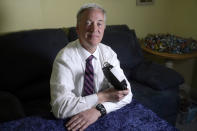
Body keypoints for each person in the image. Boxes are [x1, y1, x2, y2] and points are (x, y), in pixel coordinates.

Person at [50, 3, 133, 131]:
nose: (95, 29)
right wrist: (103, 96)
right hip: (73, 119)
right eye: (88, 23)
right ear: (77, 28)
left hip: (100, 113)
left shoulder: (108, 53)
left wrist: (98, 110)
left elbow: (127, 93)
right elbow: (59, 108)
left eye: (99, 23)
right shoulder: (64, 58)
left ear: (104, 28)